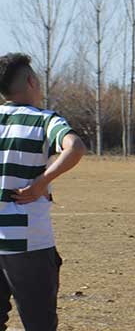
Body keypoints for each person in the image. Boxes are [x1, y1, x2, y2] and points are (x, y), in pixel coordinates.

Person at [0, 52, 88, 331]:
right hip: (28, 240)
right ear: (31, 81)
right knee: (39, 323)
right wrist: (41, 182)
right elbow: (75, 148)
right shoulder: (44, 120)